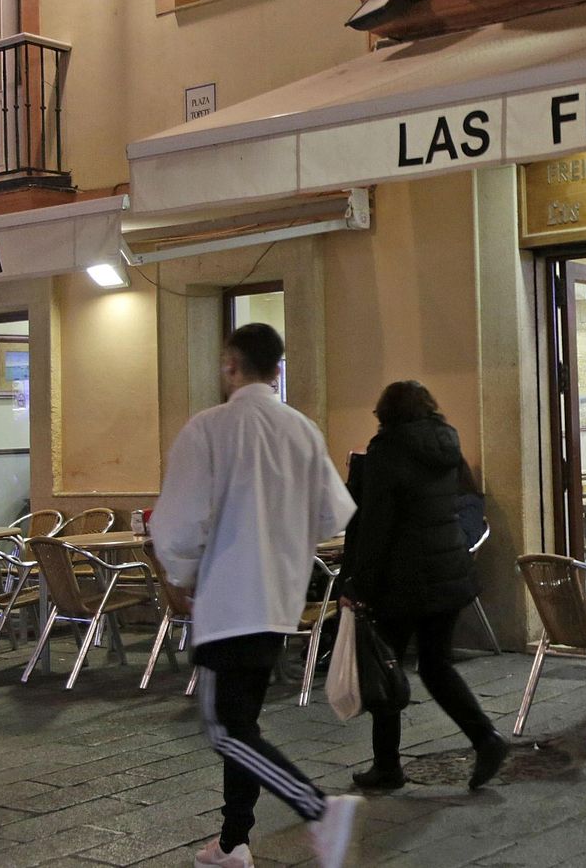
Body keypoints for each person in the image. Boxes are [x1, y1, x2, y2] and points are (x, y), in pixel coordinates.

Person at [150, 323, 361, 868]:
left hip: (227, 599)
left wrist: (185, 573)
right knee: (243, 722)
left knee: (225, 729)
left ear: (229, 364)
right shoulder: (303, 431)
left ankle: (318, 806)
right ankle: (232, 841)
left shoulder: (209, 429)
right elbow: (333, 516)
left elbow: (176, 525)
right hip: (279, 601)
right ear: (279, 369)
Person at [341, 380, 509, 792]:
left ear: (386, 414)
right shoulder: (445, 445)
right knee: (435, 666)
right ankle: (486, 739)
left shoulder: (386, 451)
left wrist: (358, 583)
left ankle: (387, 766)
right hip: (447, 571)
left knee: (387, 667)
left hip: (403, 579)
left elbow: (376, 525)